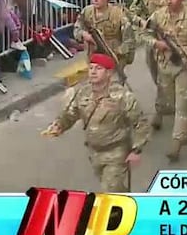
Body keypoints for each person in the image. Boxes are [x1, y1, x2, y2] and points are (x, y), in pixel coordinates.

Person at [42, 53, 151, 192]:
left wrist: (136, 150)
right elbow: (71, 113)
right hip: (94, 152)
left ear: (109, 73)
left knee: (110, 190)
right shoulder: (83, 92)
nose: (93, 72)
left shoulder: (123, 96)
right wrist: (59, 126)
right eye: (91, 68)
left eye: (98, 68)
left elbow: (140, 123)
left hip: (116, 152)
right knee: (115, 189)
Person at [145, 0, 187, 160]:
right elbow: (144, 34)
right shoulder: (158, 15)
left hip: (184, 67)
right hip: (164, 66)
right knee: (173, 104)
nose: (169, 1)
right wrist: (156, 43)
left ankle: (176, 144)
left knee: (182, 105)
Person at [129, 0, 169, 109]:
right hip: (150, 38)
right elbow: (131, 12)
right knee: (153, 68)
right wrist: (141, 22)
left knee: (167, 71)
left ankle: (165, 100)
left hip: (167, 39)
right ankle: (163, 92)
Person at [74, 0, 136, 65]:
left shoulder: (117, 13)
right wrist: (83, 34)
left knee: (114, 77)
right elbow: (77, 29)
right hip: (93, 57)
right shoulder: (87, 12)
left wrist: (119, 52)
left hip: (114, 56)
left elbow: (129, 39)